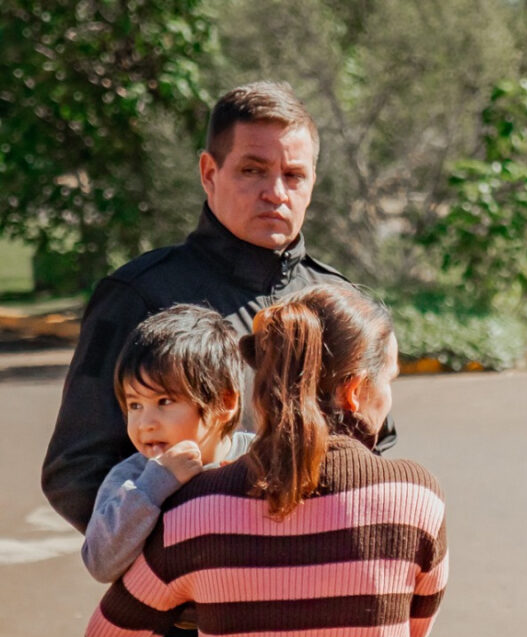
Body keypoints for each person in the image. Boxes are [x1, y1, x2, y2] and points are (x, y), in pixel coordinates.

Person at [85, 284, 448, 637]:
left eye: (163, 402)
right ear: (354, 391)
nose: (147, 421)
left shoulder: (200, 509)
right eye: (389, 381)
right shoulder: (418, 499)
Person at [43, 79, 393, 536]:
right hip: (194, 599)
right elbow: (77, 468)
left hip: (324, 588)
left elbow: (375, 449)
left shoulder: (343, 304)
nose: (276, 192)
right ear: (209, 173)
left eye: (294, 175)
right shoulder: (137, 294)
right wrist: (183, 561)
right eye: (253, 170)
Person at [81, 304, 251, 637]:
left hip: (253, 630)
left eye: (163, 402)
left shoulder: (257, 460)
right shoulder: (132, 476)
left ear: (225, 402)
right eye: (134, 405)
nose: (145, 423)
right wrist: (155, 485)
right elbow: (101, 560)